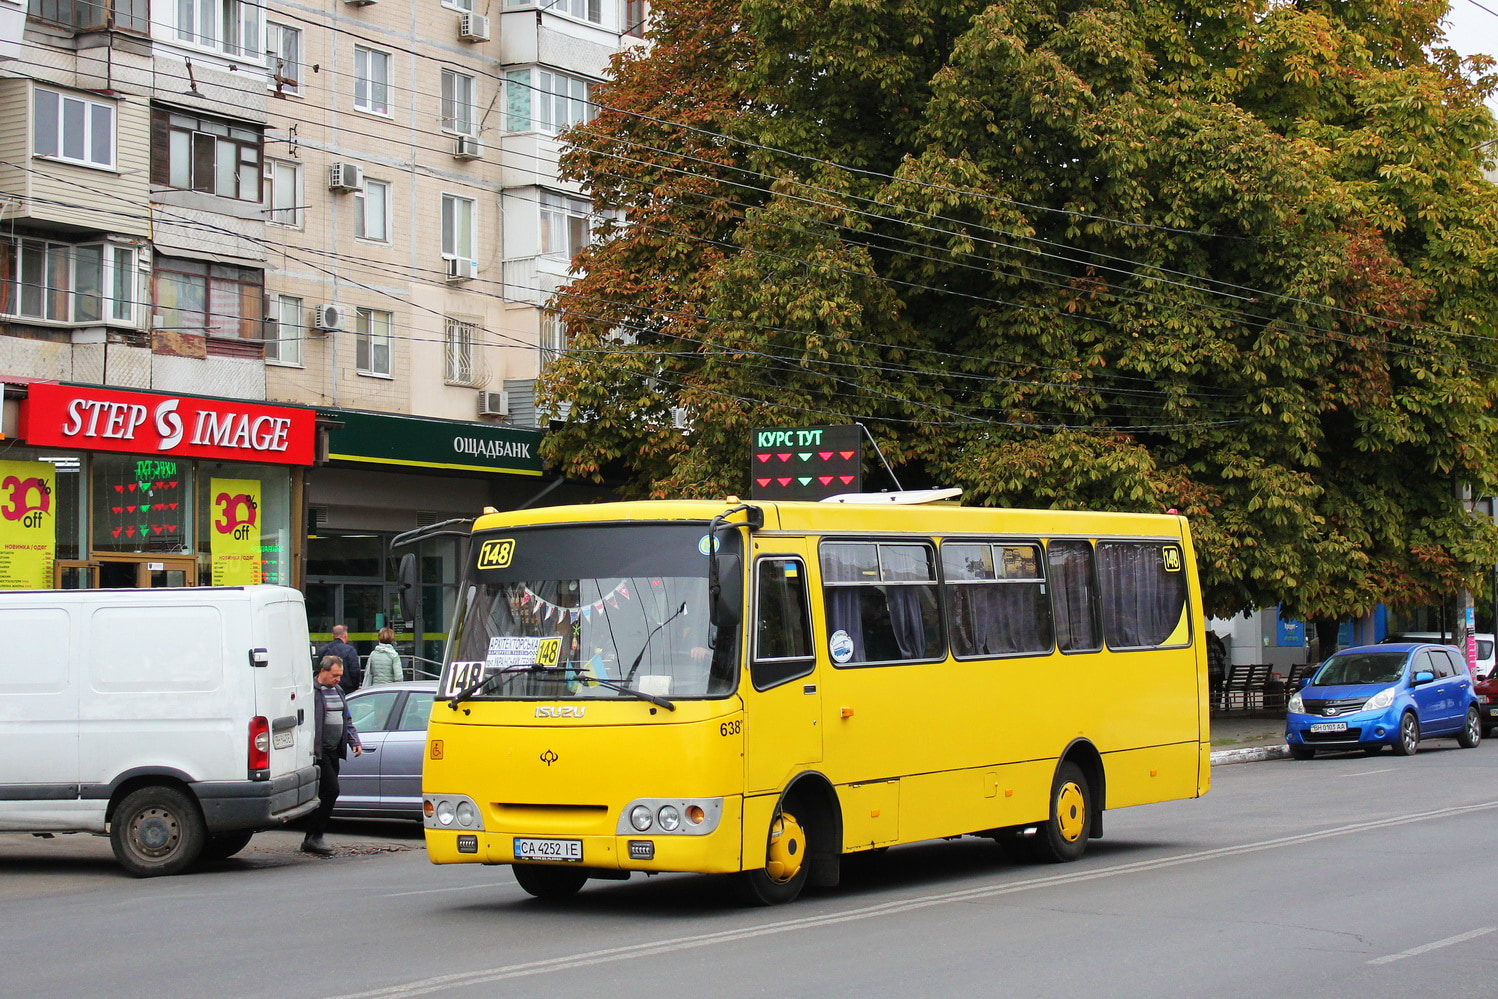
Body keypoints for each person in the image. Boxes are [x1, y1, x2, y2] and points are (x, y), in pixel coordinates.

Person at [303, 655, 363, 856]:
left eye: (340, 675)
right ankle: (315, 836)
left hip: (334, 750)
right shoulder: (311, 691)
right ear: (323, 671)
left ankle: (311, 837)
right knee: (331, 790)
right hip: (319, 751)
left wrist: (354, 741)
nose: (339, 679)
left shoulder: (338, 691)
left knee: (325, 794)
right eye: (335, 675)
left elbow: (346, 719)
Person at [318, 624, 363, 693]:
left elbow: (318, 671)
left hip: (326, 689)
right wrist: (355, 687)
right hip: (347, 690)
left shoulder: (323, 650)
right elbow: (355, 671)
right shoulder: (350, 650)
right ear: (345, 635)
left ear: (333, 636)